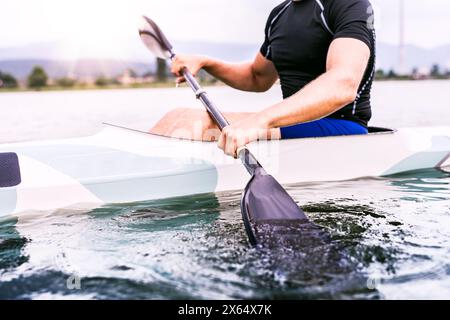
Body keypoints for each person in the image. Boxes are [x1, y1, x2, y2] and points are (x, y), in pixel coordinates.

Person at [151, 0, 376, 158]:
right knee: (176, 117)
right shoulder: (279, 15)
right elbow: (257, 77)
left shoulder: (349, 4)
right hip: (291, 126)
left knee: (193, 123)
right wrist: (207, 63)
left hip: (342, 128)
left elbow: (343, 84)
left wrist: (260, 121)